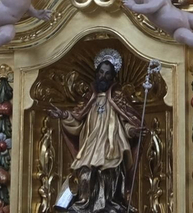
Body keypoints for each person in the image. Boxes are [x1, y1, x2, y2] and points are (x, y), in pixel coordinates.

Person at [49, 49, 146, 213]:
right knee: (85, 174)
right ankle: (84, 204)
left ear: (113, 77)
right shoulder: (90, 98)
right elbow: (77, 122)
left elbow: (126, 123)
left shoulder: (118, 98)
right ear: (96, 73)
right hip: (91, 147)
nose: (103, 76)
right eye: (101, 72)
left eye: (108, 74)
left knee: (108, 175)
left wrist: (133, 132)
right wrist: (64, 115)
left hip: (111, 147)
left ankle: (108, 204)